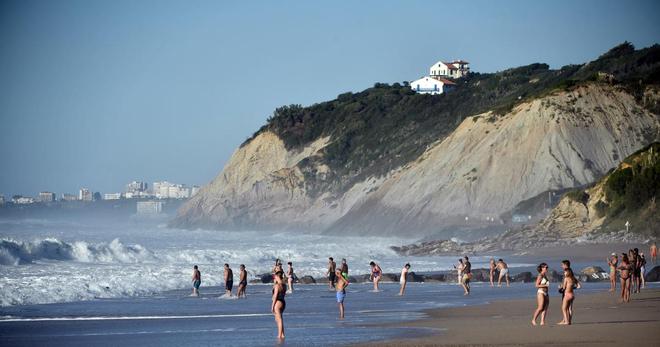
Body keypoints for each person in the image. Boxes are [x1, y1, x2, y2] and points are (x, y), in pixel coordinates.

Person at [271, 271, 286, 340]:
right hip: (283, 302)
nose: (274, 278)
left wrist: (272, 306)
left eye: (275, 277)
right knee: (279, 319)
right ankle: (282, 334)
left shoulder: (277, 285)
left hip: (277, 302)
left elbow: (275, 296)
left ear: (277, 277)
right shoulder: (284, 285)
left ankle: (279, 335)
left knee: (278, 319)